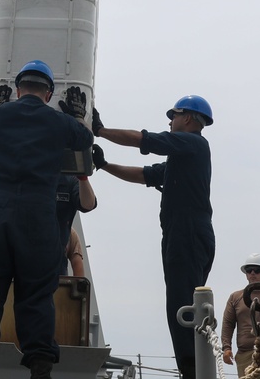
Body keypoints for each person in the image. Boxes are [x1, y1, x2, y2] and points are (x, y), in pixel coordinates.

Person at [0, 61, 93, 379]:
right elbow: (83, 141)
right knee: (36, 296)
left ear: (18, 89)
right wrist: (74, 114)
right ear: (47, 93)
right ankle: (40, 367)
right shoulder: (57, 121)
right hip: (38, 220)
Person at [89, 95, 215, 379]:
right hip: (181, 233)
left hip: (188, 233)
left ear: (189, 118)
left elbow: (145, 140)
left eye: (174, 116)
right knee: (179, 304)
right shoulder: (182, 158)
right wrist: (106, 165)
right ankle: (190, 368)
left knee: (182, 303)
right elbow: (144, 174)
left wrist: (100, 131)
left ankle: (192, 370)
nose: (170, 122)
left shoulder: (193, 143)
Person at [222, 253, 260, 378]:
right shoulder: (235, 297)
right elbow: (228, 324)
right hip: (246, 352)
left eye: (257, 270)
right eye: (249, 270)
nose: (252, 273)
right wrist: (226, 348)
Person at [56, 173, 96, 276]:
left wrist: (83, 175)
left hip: (56, 268)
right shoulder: (26, 177)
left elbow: (88, 204)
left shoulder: (69, 181)